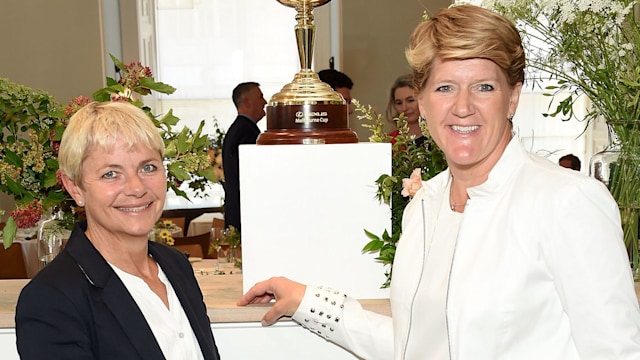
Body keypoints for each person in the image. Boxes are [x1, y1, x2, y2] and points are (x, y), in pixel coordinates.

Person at [238, 4, 640, 359]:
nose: (463, 107)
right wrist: (308, 301)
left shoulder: (567, 201)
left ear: (513, 97)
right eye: (445, 87)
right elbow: (411, 344)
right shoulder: (424, 205)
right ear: (423, 101)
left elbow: (617, 352)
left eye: (484, 86)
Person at [15, 102, 220, 359]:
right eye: (111, 174)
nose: (136, 188)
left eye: (148, 167)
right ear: (75, 187)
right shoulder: (50, 299)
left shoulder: (176, 266)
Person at [222, 82, 266, 232]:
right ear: (247, 101)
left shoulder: (239, 128)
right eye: (261, 97)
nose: (265, 102)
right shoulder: (246, 132)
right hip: (246, 215)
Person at [385, 73, 426, 145]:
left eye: (410, 100)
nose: (404, 108)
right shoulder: (390, 142)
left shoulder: (439, 137)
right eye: (399, 103)